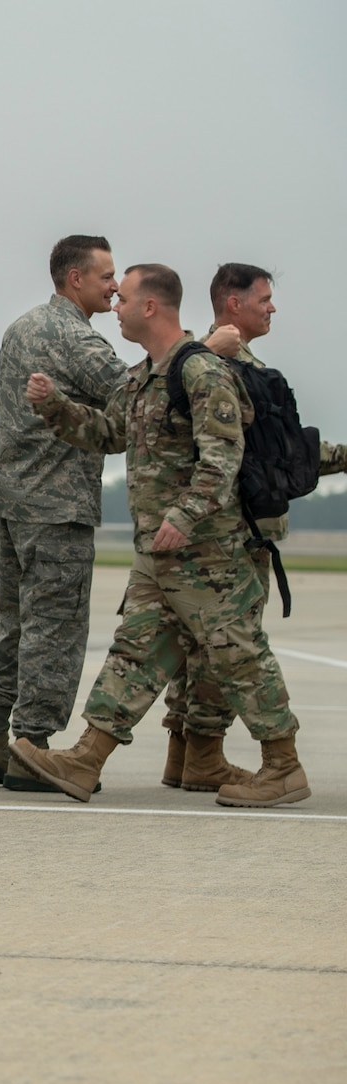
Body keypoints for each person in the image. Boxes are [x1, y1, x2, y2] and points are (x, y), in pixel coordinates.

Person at [11, 264, 308, 808]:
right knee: (135, 653)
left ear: (150, 306)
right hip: (159, 551)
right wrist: (54, 407)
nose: (115, 306)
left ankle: (283, 767)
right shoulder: (142, 376)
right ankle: (86, 759)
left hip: (207, 552)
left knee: (237, 654)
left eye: (123, 298)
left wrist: (185, 516)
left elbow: (223, 456)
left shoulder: (202, 372)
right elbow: (108, 434)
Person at [157, 263, 345, 792]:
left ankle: (185, 755)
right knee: (229, 646)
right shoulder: (209, 363)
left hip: (211, 526)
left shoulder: (209, 360)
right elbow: (269, 453)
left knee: (197, 647)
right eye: (264, 298)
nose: (272, 307)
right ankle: (205, 756)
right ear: (232, 303)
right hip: (232, 531)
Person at [0, 236, 127, 788]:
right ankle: (30, 746)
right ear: (74, 279)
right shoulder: (79, 339)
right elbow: (139, 398)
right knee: (54, 627)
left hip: (10, 500)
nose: (117, 285)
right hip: (57, 505)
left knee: (13, 619)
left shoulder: (21, 328)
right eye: (107, 276)